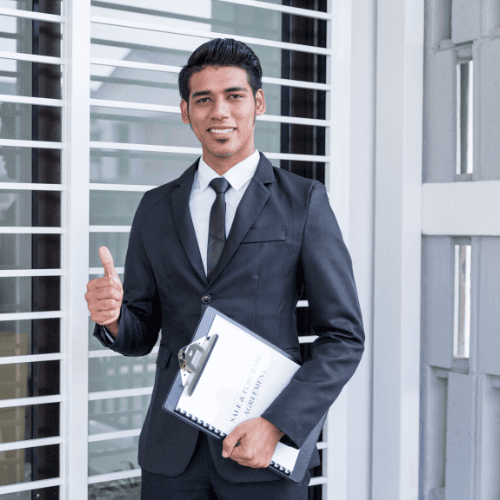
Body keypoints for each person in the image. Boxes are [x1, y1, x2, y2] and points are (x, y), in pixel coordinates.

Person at [85, 38, 365, 500]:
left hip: (262, 451)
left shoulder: (303, 202)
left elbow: (344, 337)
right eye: (204, 99)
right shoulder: (155, 208)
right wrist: (112, 317)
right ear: (185, 111)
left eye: (234, 95)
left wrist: (279, 424)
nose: (220, 111)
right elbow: (140, 333)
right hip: (172, 456)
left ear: (258, 102)